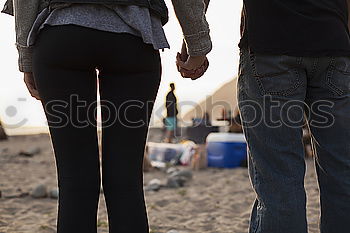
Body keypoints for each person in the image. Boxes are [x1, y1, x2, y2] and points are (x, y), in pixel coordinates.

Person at [2, 0, 212, 232]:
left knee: (75, 180)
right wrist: (196, 43)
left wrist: (26, 56)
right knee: (126, 181)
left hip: (62, 33)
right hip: (134, 38)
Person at [236, 1, 350, 233]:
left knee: (279, 176)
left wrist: (196, 43)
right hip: (335, 44)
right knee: (343, 169)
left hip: (271, 42)